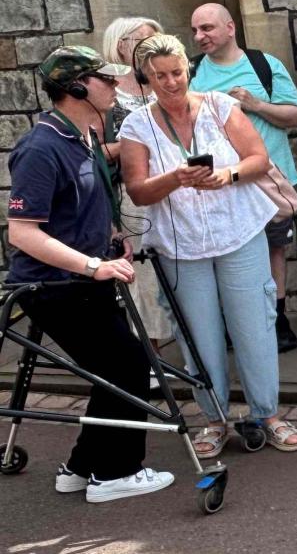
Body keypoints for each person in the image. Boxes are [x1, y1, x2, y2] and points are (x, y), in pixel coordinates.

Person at [118, 34, 297, 457]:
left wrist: (227, 175)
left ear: (188, 69)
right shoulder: (136, 125)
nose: (171, 82)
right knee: (198, 335)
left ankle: (268, 414)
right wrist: (175, 178)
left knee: (254, 325)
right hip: (180, 245)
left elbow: (258, 158)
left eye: (177, 72)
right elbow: (138, 191)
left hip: (238, 230)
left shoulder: (219, 106)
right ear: (146, 78)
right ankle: (214, 419)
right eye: (160, 76)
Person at [8, 45, 175, 502]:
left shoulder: (80, 137)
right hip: (55, 286)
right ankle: (116, 474)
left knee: (113, 370)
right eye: (106, 79)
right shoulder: (41, 147)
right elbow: (23, 232)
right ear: (78, 87)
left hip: (84, 281)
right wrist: (93, 264)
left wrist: (112, 235)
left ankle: (81, 467)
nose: (116, 85)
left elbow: (78, 206)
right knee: (128, 366)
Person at [187, 3, 297, 353]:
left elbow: (296, 115)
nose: (199, 36)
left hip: (269, 179)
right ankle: (236, 322)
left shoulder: (263, 65)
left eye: (207, 28)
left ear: (230, 28)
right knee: (226, 252)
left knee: (273, 249)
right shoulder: (191, 72)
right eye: (195, 30)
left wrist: (256, 105)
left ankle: (277, 319)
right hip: (221, 183)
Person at [100, 16, 181, 363]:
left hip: (177, 188)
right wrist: (132, 144)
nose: (151, 46)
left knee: (183, 267)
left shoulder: (166, 82)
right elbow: (92, 151)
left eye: (155, 39)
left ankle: (193, 347)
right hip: (133, 195)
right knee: (144, 277)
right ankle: (152, 359)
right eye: (142, 40)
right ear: (121, 46)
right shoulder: (106, 92)